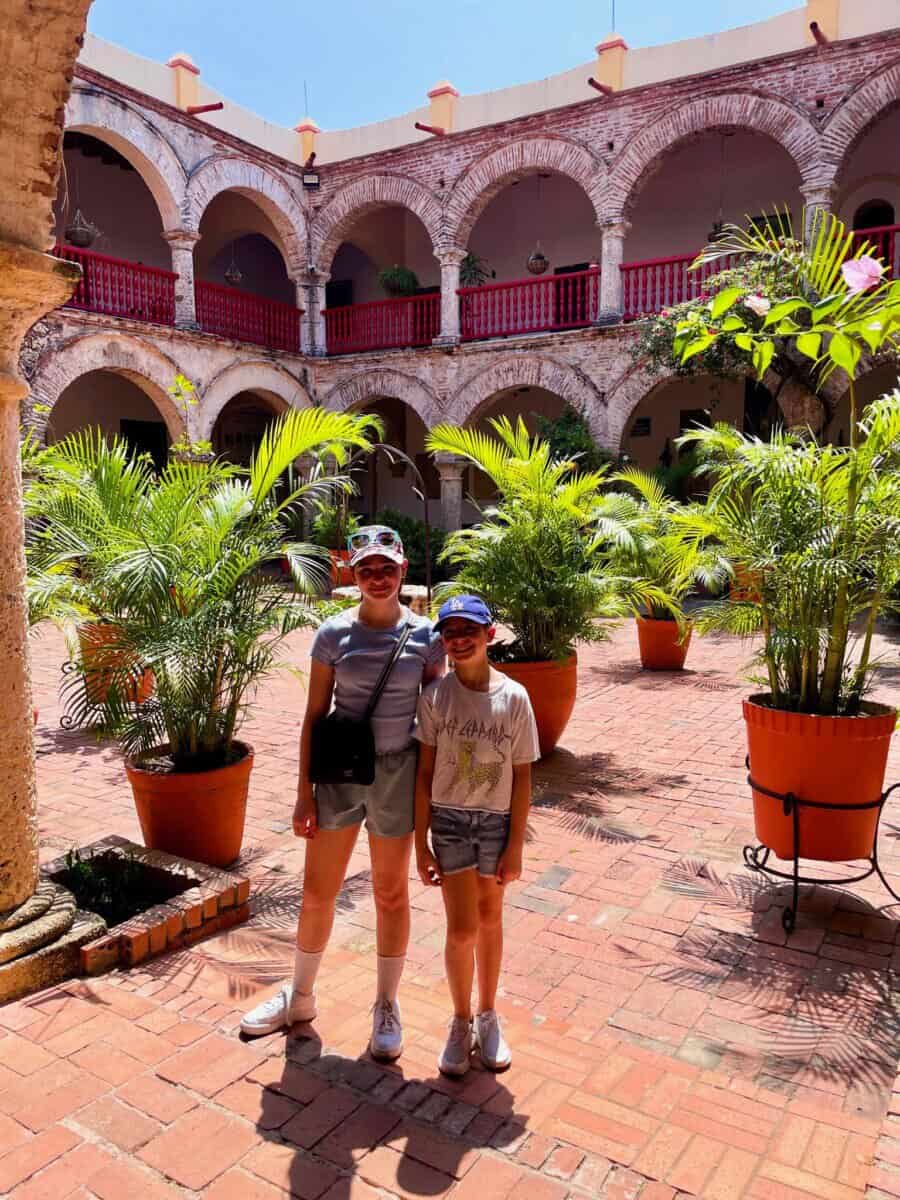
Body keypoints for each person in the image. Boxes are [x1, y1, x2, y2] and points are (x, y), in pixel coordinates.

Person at [241, 525, 445, 1059]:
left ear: (403, 571)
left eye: (387, 569)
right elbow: (314, 716)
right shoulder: (332, 635)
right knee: (317, 890)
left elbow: (434, 721)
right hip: (338, 773)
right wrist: (303, 794)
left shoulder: (427, 638)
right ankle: (300, 995)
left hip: (398, 772)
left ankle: (385, 1004)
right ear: (353, 577)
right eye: (367, 571)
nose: (377, 579)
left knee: (390, 892)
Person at [414, 595, 539, 1076]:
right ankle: (460, 1018)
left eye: (469, 631)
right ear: (442, 641)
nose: (459, 640)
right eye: (450, 633)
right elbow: (423, 774)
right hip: (448, 821)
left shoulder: (514, 698)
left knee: (490, 918)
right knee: (461, 927)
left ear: (489, 634)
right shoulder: (436, 698)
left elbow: (523, 775)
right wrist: (419, 843)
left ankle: (488, 1014)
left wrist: (515, 844)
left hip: (495, 822)